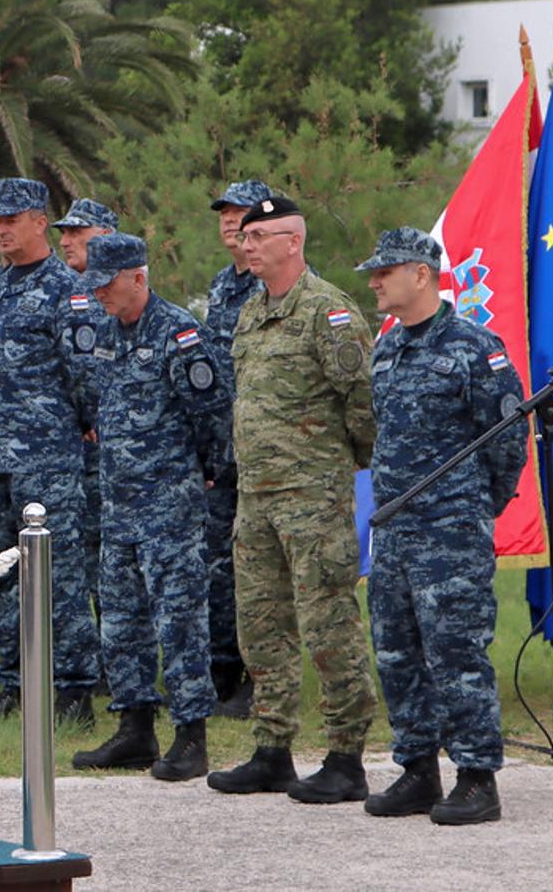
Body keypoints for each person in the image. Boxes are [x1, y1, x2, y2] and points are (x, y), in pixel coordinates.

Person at [207, 196, 379, 804]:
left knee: (327, 621)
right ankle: (272, 749)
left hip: (313, 494)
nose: (246, 244)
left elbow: (363, 403)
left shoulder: (328, 312)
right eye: (243, 235)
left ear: (292, 242)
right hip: (255, 497)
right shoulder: (252, 312)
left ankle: (345, 755)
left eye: (258, 235)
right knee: (261, 625)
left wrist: (340, 468)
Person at [357, 227, 526, 824]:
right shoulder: (387, 350)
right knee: (398, 652)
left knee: (456, 652)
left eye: (385, 271)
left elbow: (507, 444)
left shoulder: (475, 349)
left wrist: (474, 507)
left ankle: (478, 778)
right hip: (396, 531)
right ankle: (418, 770)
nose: (374, 281)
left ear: (421, 274)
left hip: (451, 533)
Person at [69, 234, 231, 781]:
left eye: (107, 284)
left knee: (179, 619)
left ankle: (191, 735)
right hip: (118, 505)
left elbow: (212, 415)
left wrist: (205, 472)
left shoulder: (179, 334)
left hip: (169, 505)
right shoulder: (107, 334)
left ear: (138, 277)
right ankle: (135, 727)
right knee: (120, 622)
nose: (98, 296)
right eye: (92, 285)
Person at [0, 177, 102, 724]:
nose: (1, 230)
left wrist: (81, 425)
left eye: (12, 220)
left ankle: (72, 689)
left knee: (59, 576)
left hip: (46, 457)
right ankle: (17, 681)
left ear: (40, 223)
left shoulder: (67, 289)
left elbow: (86, 375)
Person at [202, 179, 275, 718]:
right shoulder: (222, 286)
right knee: (218, 564)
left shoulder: (282, 286)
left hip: (269, 454)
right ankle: (222, 667)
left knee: (263, 570)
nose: (231, 222)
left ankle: (262, 677)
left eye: (241, 213)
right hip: (222, 454)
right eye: (224, 214)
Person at [51, 197, 118, 661]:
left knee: (109, 563)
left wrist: (92, 416)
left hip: (109, 449)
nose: (66, 240)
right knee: (77, 557)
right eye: (65, 232)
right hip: (72, 451)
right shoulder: (64, 290)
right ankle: (86, 655)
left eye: (79, 232)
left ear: (108, 238)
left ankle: (114, 660)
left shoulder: (116, 295)